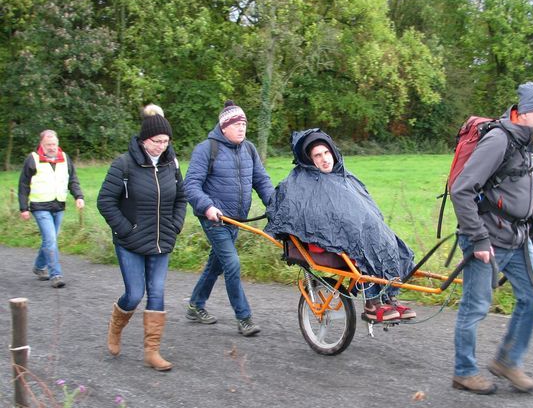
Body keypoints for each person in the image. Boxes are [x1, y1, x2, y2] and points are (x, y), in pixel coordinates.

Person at [450, 82, 533, 394]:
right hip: (486, 238)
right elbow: (462, 190)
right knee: (477, 306)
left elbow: (532, 197)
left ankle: (507, 361)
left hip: (519, 237)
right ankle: (464, 371)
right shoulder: (499, 140)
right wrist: (479, 240)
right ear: (524, 113)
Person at [265, 128, 416, 321]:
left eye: (327, 153)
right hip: (326, 239)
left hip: (356, 231)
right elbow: (303, 214)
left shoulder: (345, 176)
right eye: (318, 155)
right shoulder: (300, 182)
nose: (325, 159)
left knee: (391, 243)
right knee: (362, 247)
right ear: (309, 159)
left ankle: (389, 297)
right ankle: (372, 304)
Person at [97, 105, 187, 371]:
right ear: (143, 140)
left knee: (157, 293)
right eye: (156, 141)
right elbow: (105, 202)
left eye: (165, 141)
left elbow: (181, 198)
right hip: (130, 242)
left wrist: (175, 226)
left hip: (162, 240)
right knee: (135, 293)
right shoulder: (123, 164)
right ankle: (115, 329)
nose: (161, 146)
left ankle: (152, 352)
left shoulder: (172, 164)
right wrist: (126, 230)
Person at [183, 100, 274, 336]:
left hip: (237, 220)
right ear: (224, 127)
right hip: (215, 219)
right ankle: (244, 318)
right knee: (232, 264)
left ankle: (195, 305)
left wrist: (275, 205)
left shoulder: (249, 149)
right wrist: (208, 207)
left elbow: (261, 181)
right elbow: (191, 185)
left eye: (244, 124)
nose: (241, 128)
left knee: (216, 265)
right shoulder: (206, 149)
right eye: (236, 124)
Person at [18, 129, 85, 288]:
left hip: (58, 205)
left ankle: (39, 267)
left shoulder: (65, 158)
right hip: (39, 206)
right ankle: (56, 274)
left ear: (58, 144)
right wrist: (23, 208)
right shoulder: (33, 159)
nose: (52, 147)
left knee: (50, 239)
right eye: (48, 144)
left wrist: (78, 197)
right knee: (51, 239)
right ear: (42, 144)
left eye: (54, 144)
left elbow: (73, 180)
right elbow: (23, 185)